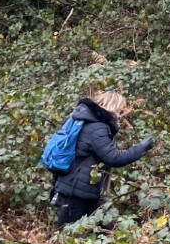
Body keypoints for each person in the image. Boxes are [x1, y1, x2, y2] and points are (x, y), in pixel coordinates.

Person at [50, 91, 154, 230]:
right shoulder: (97, 127)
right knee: (65, 233)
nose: (120, 115)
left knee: (106, 228)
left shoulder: (88, 121)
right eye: (119, 110)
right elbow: (114, 158)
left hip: (82, 189)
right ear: (112, 107)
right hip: (76, 190)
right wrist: (141, 148)